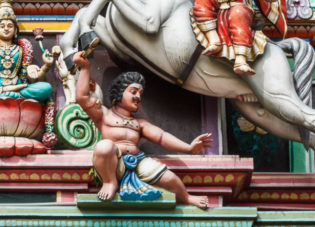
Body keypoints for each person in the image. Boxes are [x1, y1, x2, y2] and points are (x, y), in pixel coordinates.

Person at [72, 53, 211, 206]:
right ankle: (110, 182)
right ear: (119, 93)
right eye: (133, 92)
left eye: (140, 93)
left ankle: (186, 197)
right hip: (112, 164)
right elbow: (82, 97)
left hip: (137, 163)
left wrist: (189, 148)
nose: (138, 96)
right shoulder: (104, 114)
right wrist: (85, 67)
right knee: (104, 146)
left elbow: (162, 137)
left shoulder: (139, 124)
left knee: (169, 178)